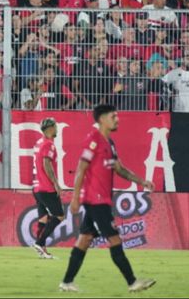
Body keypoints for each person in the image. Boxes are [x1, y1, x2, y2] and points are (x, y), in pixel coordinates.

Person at [60, 104, 156, 293]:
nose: (117, 119)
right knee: (114, 239)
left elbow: (118, 168)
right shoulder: (93, 140)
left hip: (100, 199)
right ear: (102, 119)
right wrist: (74, 198)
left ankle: (66, 282)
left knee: (85, 239)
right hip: (95, 199)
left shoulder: (109, 144)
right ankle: (132, 282)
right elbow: (81, 168)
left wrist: (141, 181)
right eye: (114, 116)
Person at [31, 117, 64, 259]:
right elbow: (47, 164)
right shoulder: (48, 144)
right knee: (60, 216)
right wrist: (56, 183)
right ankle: (39, 242)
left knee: (43, 218)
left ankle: (42, 250)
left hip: (37, 187)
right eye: (55, 126)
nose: (56, 128)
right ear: (50, 128)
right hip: (46, 188)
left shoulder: (39, 143)